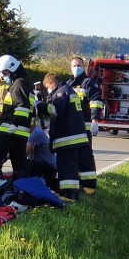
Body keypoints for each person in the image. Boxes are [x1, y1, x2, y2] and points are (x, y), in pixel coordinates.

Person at [0, 55, 34, 196]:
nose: (4, 77)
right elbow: (30, 110)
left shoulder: (18, 84)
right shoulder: (26, 85)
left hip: (10, 129)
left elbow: (22, 107)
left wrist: (13, 124)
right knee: (19, 162)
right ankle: (25, 189)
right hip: (22, 132)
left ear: (12, 69)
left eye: (5, 73)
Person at [36, 73, 88, 202]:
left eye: (47, 86)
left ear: (52, 83)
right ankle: (72, 194)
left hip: (67, 138)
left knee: (66, 168)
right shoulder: (68, 90)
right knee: (71, 167)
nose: (47, 89)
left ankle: (69, 195)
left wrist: (38, 105)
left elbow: (54, 110)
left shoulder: (61, 93)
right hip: (74, 137)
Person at [66, 56, 103, 195]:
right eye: (74, 65)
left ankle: (89, 186)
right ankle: (76, 185)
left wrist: (95, 120)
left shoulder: (88, 83)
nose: (76, 68)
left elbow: (96, 102)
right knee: (72, 158)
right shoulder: (68, 84)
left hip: (84, 127)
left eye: (79, 65)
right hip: (70, 128)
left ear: (83, 66)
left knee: (85, 157)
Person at [26, 124, 58, 192]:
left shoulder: (36, 133)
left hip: (48, 166)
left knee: (25, 165)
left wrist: (7, 156)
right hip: (43, 164)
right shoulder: (35, 131)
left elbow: (26, 153)